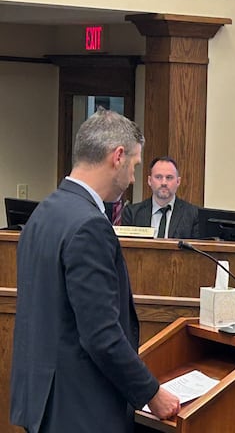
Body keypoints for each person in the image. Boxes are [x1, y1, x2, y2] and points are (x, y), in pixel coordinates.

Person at [10, 108, 180, 432]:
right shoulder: (89, 225)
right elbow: (101, 335)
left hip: (44, 404)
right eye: (134, 166)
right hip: (80, 410)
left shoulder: (44, 212)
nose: (133, 178)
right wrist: (152, 393)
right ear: (117, 156)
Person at [122, 156, 199, 239]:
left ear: (178, 181)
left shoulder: (193, 214)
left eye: (169, 177)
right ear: (149, 181)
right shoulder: (132, 213)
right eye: (158, 177)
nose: (164, 183)